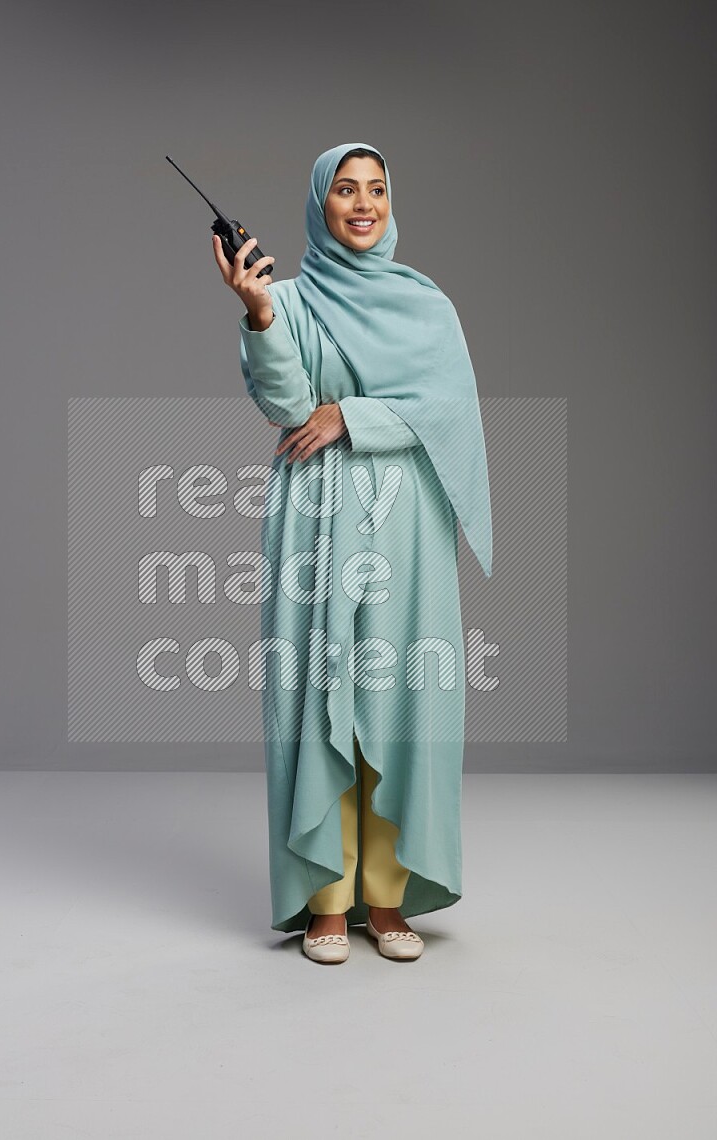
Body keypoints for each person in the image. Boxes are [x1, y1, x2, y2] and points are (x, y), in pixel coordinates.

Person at [213, 142, 492, 963]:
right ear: (319, 204)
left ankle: (388, 894)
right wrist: (260, 312)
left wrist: (350, 419)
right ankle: (327, 900)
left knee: (402, 701)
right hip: (316, 514)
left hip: (407, 518)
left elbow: (446, 413)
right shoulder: (291, 301)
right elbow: (285, 404)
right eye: (345, 189)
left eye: (375, 189)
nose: (362, 203)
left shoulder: (427, 307)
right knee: (318, 696)